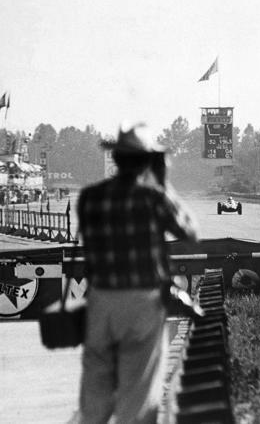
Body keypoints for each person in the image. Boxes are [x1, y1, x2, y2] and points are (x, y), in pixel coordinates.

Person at [77, 122, 199, 424]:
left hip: (101, 299)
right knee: (138, 390)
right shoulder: (152, 198)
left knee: (95, 388)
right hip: (142, 302)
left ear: (116, 160)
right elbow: (189, 231)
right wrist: (161, 181)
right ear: (146, 162)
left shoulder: (90, 197)